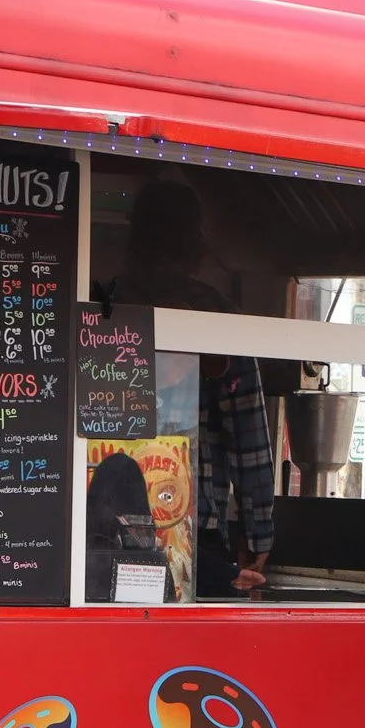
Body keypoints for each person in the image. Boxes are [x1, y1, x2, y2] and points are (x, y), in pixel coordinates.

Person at [108, 180, 273, 597]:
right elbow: (247, 436)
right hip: (194, 530)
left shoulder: (106, 308)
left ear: (135, 238)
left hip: (105, 526)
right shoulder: (217, 316)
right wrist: (258, 537)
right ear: (196, 247)